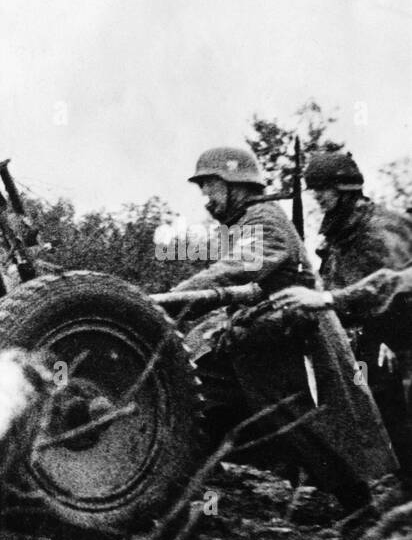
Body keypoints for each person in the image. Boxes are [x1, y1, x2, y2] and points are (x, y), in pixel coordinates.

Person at [173, 146, 395, 508]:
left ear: (235, 185)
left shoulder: (264, 220)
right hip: (258, 343)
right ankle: (187, 489)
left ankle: (360, 513)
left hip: (294, 341)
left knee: (309, 429)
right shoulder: (246, 221)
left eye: (209, 188)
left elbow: (234, 270)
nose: (206, 200)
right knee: (201, 398)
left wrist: (170, 300)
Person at [270, 151, 412, 486]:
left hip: (401, 332)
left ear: (345, 188)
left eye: (323, 188)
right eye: (313, 189)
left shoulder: (379, 229)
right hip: (378, 332)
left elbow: (390, 288)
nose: (317, 196)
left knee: (399, 407)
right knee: (378, 405)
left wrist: (323, 299)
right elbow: (339, 284)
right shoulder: (343, 228)